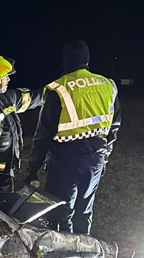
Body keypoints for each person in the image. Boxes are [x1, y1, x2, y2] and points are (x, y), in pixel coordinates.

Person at [23, 41, 121, 234]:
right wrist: (104, 157)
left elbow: (42, 136)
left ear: (65, 61)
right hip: (96, 156)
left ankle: (63, 255)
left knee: (60, 211)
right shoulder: (108, 85)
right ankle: (84, 254)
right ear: (87, 60)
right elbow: (114, 126)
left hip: (67, 158)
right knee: (84, 210)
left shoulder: (58, 88)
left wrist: (32, 170)